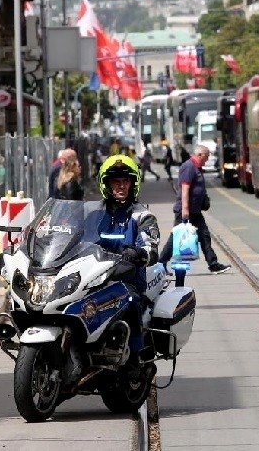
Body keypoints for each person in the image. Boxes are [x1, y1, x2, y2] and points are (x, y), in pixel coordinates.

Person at [93, 155, 160, 362]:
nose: (121, 186)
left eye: (125, 181)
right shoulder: (93, 214)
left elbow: (152, 248)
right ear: (106, 184)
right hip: (94, 279)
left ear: (133, 184)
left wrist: (140, 253)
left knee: (130, 302)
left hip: (127, 280)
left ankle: (135, 361)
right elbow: (73, 236)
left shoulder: (142, 216)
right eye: (116, 181)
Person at [158, 145, 229, 285]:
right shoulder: (188, 167)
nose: (207, 159)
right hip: (186, 211)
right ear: (200, 155)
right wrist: (185, 209)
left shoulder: (197, 168)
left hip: (195, 211)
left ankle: (213, 264)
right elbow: (185, 188)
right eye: (206, 157)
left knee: (205, 236)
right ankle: (160, 264)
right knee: (175, 239)